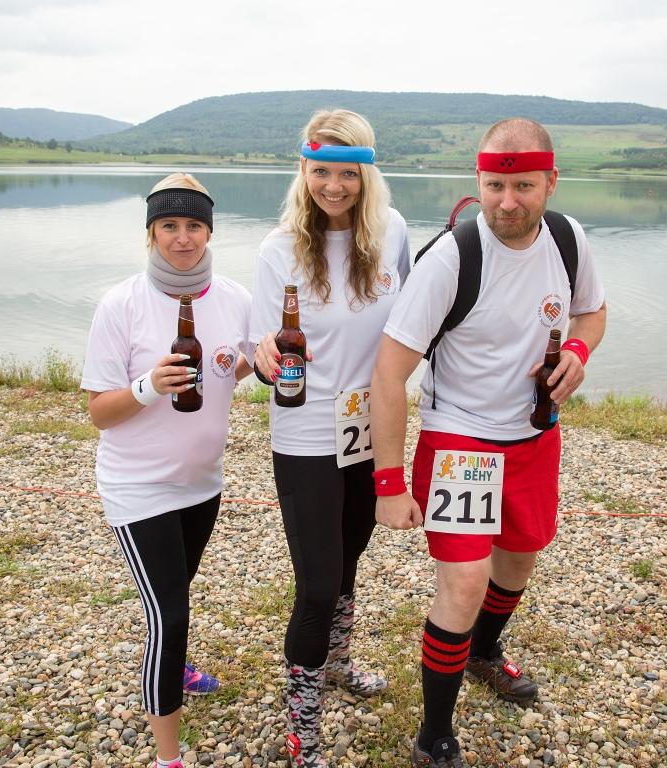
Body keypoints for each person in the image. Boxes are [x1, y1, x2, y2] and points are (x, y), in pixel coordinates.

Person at [369, 118, 607, 767]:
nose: (507, 202)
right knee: (465, 583)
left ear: (551, 182)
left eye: (523, 186)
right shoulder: (452, 258)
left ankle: (483, 652)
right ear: (478, 181)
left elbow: (593, 310)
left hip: (533, 436)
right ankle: (435, 734)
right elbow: (389, 371)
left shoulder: (568, 239)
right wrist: (389, 482)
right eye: (495, 186)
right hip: (460, 440)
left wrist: (578, 349)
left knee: (519, 561)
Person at [250, 108, 410, 768]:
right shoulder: (278, 250)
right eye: (321, 171)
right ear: (304, 170)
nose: (334, 186)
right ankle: (303, 730)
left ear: (368, 174)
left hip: (369, 429)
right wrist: (263, 356)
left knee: (347, 563)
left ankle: (338, 665)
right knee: (316, 586)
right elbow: (261, 346)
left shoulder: (393, 232)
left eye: (348, 173)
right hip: (306, 435)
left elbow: (412, 325)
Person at [81, 173, 253, 768]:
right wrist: (149, 385)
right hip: (138, 486)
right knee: (169, 615)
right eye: (169, 225)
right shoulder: (121, 304)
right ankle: (167, 758)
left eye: (194, 225)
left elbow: (239, 362)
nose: (183, 238)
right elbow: (100, 412)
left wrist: (260, 362)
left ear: (210, 231)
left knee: (177, 589)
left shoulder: (235, 298)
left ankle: (174, 668)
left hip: (203, 482)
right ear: (151, 232)